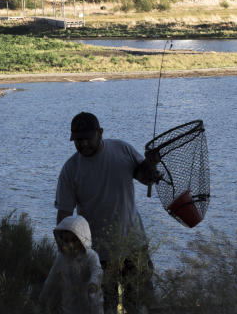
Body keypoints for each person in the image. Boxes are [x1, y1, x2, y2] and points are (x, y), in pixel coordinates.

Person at [55, 111, 160, 313]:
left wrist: (151, 163)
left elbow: (145, 178)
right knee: (105, 307)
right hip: (97, 254)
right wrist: (67, 254)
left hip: (134, 245)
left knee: (141, 303)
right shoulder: (70, 170)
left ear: (100, 133)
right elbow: (64, 218)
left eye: (88, 138)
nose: (83, 144)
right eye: (78, 140)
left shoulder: (122, 150)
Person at [40, 214, 104, 314]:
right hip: (68, 307)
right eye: (66, 240)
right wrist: (43, 298)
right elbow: (51, 280)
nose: (70, 244)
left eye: (74, 240)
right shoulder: (61, 257)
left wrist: (93, 284)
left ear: (82, 239)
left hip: (90, 305)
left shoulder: (91, 256)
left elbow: (97, 271)